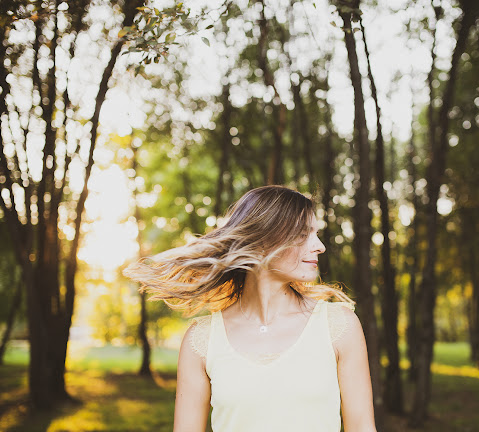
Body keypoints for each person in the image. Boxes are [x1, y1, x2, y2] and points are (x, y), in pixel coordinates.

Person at [124, 185, 377, 432]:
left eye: (315, 234)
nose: (319, 246)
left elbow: (363, 427)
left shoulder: (339, 326)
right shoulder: (201, 340)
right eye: (303, 235)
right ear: (263, 241)